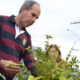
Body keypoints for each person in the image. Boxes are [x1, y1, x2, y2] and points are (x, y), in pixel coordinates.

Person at [0, 0, 41, 80]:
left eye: (36, 18)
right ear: (23, 9)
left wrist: (46, 74)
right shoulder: (2, 21)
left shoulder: (27, 37)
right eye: (33, 15)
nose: (34, 20)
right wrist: (1, 63)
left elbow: (31, 62)